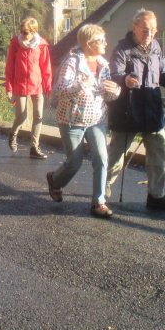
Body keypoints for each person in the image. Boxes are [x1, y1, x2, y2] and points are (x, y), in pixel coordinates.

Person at [105, 9, 165, 210]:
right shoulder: (122, 49)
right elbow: (113, 73)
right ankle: (101, 193)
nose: (149, 33)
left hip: (152, 109)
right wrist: (124, 80)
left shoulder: (156, 47)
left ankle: (156, 196)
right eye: (145, 29)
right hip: (127, 110)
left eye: (153, 30)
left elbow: (162, 71)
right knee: (116, 157)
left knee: (158, 155)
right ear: (135, 27)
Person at [46, 24, 121, 218]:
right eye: (101, 40)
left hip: (97, 118)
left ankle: (99, 202)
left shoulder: (103, 64)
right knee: (74, 162)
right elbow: (62, 89)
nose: (106, 43)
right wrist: (80, 84)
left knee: (102, 158)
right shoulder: (72, 62)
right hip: (71, 120)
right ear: (89, 43)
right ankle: (55, 181)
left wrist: (115, 91)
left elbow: (106, 94)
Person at [5, 17, 52, 159]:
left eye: (26, 32)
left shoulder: (42, 45)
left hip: (37, 85)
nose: (23, 34)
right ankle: (13, 135)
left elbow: (46, 67)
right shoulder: (15, 43)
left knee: (38, 116)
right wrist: (9, 87)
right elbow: (9, 66)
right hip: (19, 85)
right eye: (22, 32)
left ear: (33, 31)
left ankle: (34, 147)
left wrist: (48, 86)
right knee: (21, 116)